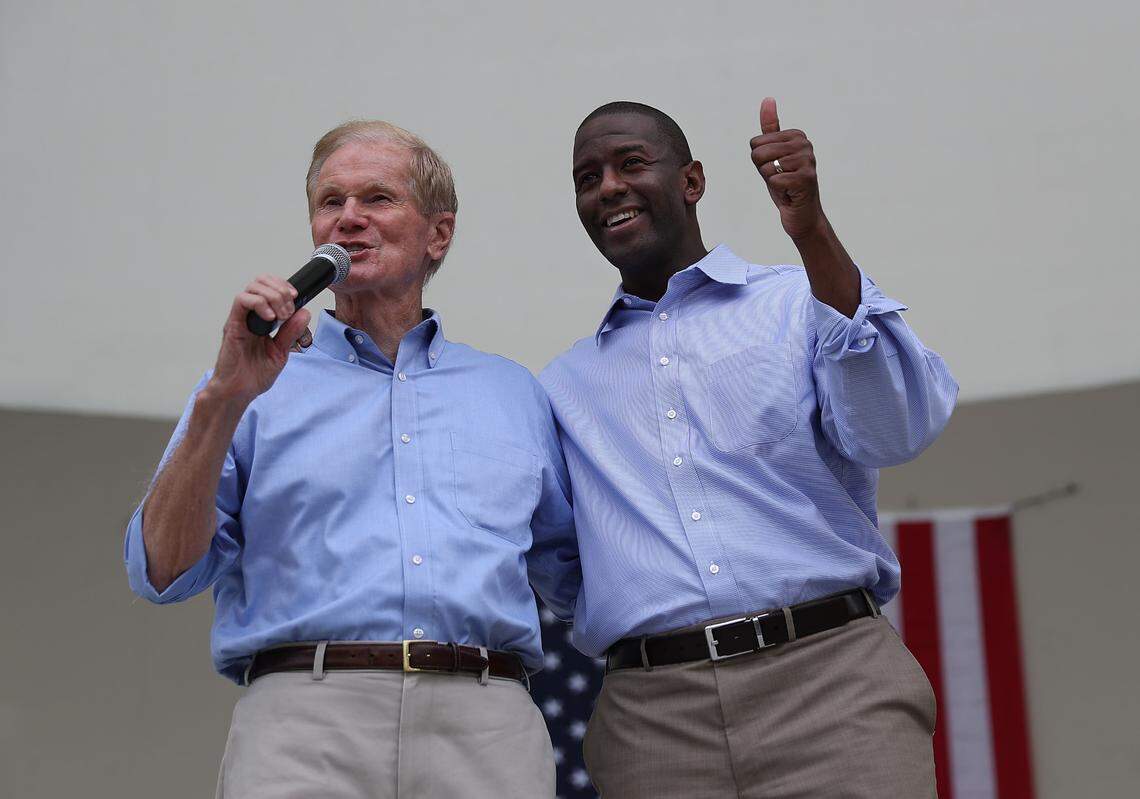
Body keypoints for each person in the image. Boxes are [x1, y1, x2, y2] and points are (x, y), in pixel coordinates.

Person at [125, 120, 579, 799]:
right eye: (330, 201)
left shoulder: (513, 392)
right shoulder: (250, 382)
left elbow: (575, 578)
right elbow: (161, 569)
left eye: (378, 198)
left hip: (486, 724)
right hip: (306, 719)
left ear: (439, 234)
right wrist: (223, 398)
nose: (349, 219)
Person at [539, 99, 958, 797]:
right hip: (654, 720)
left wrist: (810, 227)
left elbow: (897, 429)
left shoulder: (801, 300)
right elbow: (559, 562)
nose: (607, 185)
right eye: (588, 177)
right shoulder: (564, 385)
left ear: (692, 181)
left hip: (832, 684)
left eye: (631, 163)